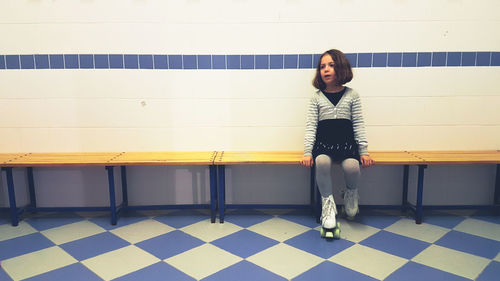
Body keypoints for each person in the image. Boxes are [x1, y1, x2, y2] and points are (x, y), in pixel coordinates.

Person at [300, 49, 374, 233]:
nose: (326, 70)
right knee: (321, 162)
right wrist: (308, 151)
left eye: (331, 65)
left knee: (352, 167)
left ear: (341, 68)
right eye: (322, 66)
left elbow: (358, 123)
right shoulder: (316, 97)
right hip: (323, 146)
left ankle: (351, 193)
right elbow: (311, 126)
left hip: (347, 146)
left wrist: (363, 151)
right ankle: (328, 205)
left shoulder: (352, 95)